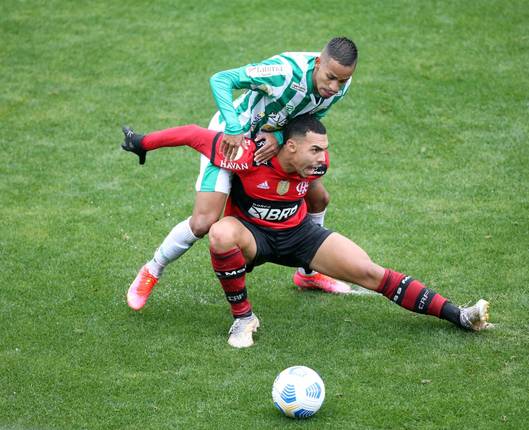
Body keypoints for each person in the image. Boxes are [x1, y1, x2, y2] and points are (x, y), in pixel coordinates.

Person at [125, 114, 493, 347]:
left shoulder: (316, 167)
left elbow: (318, 197)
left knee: (370, 272)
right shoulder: (246, 154)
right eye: (315, 150)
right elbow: (192, 134)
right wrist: (142, 142)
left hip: (300, 235)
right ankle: (243, 319)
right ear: (291, 145)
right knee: (218, 232)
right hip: (253, 235)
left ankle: (460, 315)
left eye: (325, 150)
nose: (323, 158)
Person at [123, 37, 359, 311]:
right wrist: (234, 128)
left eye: (341, 81)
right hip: (231, 139)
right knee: (203, 222)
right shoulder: (283, 71)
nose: (334, 87)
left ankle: (309, 272)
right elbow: (221, 79)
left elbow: (308, 118)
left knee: (318, 198)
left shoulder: (341, 84)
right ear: (318, 62)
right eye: (330, 78)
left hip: (272, 145)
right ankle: (152, 269)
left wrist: (280, 136)